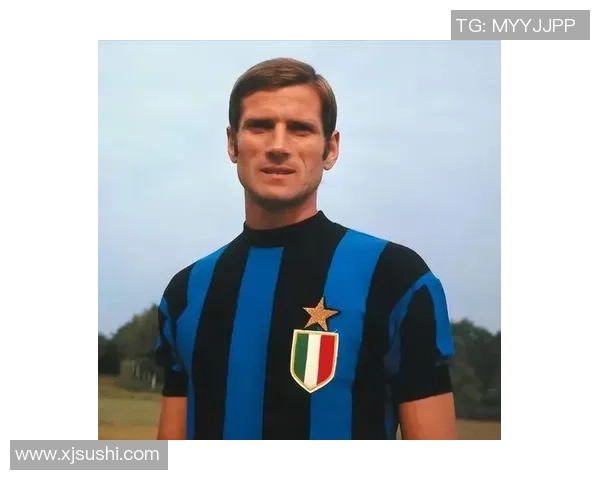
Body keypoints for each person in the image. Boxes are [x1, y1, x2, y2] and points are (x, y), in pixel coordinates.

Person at [155, 57, 457, 440]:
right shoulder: (186, 292)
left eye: (300, 129)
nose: (278, 146)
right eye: (260, 126)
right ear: (232, 143)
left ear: (330, 149)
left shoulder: (396, 278)